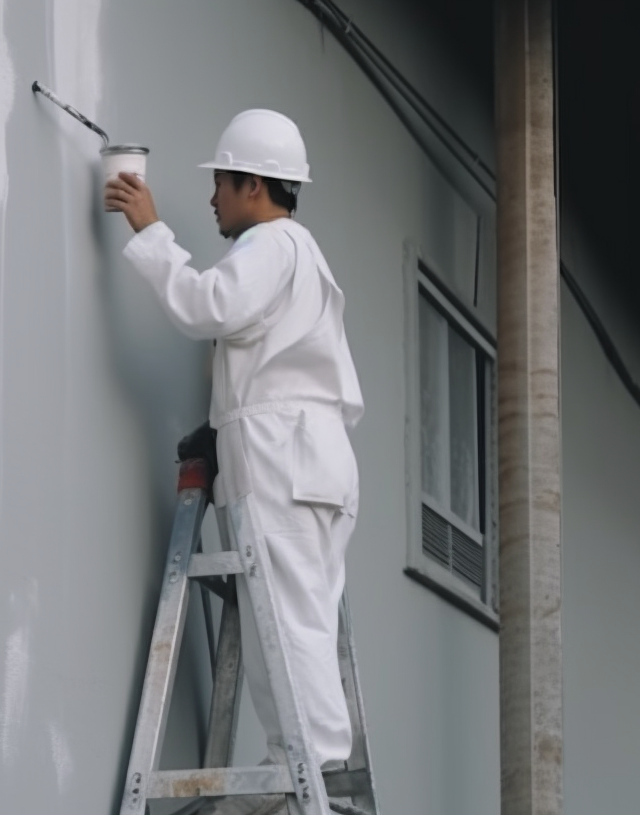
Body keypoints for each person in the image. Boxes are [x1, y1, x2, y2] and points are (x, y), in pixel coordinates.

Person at [106, 109, 363, 814]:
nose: (213, 199)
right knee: (293, 613)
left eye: (220, 184)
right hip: (310, 457)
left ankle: (310, 774)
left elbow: (204, 305)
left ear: (253, 184)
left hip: (286, 457)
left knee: (288, 618)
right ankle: (300, 766)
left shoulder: (272, 246)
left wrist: (150, 230)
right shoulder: (300, 253)